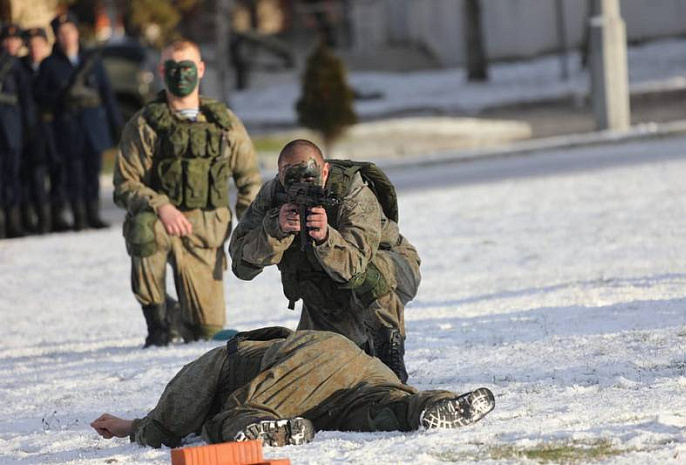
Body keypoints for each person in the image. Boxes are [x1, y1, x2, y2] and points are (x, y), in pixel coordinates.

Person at [91, 328, 495, 448]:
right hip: (352, 366)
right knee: (381, 408)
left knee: (235, 415)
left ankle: (271, 429)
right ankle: (433, 406)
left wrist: (137, 429)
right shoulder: (267, 350)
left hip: (313, 362)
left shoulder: (222, 358)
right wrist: (127, 424)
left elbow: (171, 419)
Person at [229, 139, 420, 382]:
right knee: (312, 366)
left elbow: (357, 266)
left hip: (391, 273)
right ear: (279, 175)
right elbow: (240, 263)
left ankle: (389, 353)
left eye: (310, 178)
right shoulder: (272, 196)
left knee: (372, 273)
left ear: (325, 170)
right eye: (292, 180)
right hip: (324, 287)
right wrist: (275, 230)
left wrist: (326, 237)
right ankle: (360, 347)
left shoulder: (353, 193)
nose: (302, 187)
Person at [113, 39, 261, 347]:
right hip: (162, 224)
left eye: (187, 67)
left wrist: (249, 229)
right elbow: (125, 183)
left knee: (206, 333)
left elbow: (249, 180)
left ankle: (175, 314)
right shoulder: (144, 125)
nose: (181, 75)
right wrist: (161, 206)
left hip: (207, 232)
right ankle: (157, 325)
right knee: (142, 228)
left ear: (201, 69)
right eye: (173, 67)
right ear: (161, 71)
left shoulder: (224, 123)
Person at [34, 12, 121, 231]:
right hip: (68, 125)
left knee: (93, 171)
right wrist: (62, 95)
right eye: (61, 34)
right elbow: (40, 98)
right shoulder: (49, 65)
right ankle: (79, 217)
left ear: (76, 32)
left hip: (93, 123)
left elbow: (107, 93)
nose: (67, 37)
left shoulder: (92, 60)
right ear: (56, 37)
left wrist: (116, 125)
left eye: (70, 32)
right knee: (74, 173)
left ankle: (93, 214)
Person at [18, 27, 56, 234]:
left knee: (58, 174)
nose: (35, 50)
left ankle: (56, 217)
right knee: (34, 177)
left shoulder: (53, 65)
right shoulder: (21, 68)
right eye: (31, 46)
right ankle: (39, 221)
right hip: (31, 130)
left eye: (39, 45)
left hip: (54, 128)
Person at [0, 23, 34, 238]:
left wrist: (29, 127)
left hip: (14, 129)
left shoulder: (19, 66)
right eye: (7, 39)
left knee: (13, 176)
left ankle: (13, 222)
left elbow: (26, 100)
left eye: (15, 40)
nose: (11, 43)